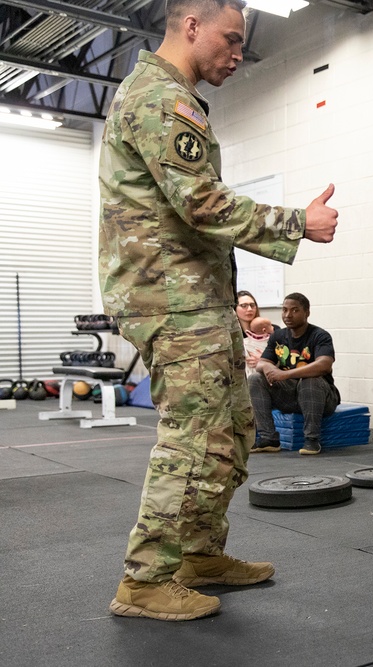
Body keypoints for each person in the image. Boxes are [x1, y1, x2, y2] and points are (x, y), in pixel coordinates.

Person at [98, 0, 339, 622]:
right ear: (191, 25)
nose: (238, 55)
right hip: (172, 302)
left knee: (230, 431)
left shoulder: (177, 99)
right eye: (231, 41)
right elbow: (201, 203)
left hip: (199, 300)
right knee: (191, 439)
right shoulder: (158, 97)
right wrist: (296, 224)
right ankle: (146, 579)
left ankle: (199, 555)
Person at [248, 293, 340, 456]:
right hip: (291, 395)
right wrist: (269, 368)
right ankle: (268, 438)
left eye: (295, 310)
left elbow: (324, 365)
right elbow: (262, 363)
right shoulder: (278, 336)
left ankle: (312, 440)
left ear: (307, 312)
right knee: (255, 378)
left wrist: (286, 374)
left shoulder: (319, 335)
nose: (288, 315)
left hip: (321, 397)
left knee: (309, 381)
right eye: (284, 310)